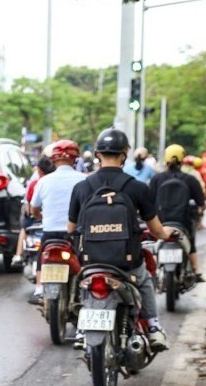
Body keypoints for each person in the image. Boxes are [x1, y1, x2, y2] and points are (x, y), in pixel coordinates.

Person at [67, 128, 173, 351]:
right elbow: (156, 230)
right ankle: (153, 327)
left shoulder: (81, 187)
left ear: (97, 153)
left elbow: (71, 228)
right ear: (124, 153)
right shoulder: (137, 188)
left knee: (83, 280)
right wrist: (166, 234)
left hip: (92, 260)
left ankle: (80, 328)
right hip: (127, 262)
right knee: (144, 279)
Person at [28, 140, 87, 304]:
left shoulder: (43, 181)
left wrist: (42, 217)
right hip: (75, 234)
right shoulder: (84, 180)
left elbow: (33, 209)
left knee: (43, 254)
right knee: (83, 259)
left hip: (50, 233)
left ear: (53, 160)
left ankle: (39, 289)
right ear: (75, 159)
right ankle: (83, 289)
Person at [148, 144, 206, 283]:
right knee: (191, 244)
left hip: (161, 222)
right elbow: (200, 201)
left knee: (155, 243)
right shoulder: (190, 179)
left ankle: (153, 271)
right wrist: (200, 208)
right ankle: (196, 270)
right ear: (182, 159)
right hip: (183, 221)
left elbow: (148, 201)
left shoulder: (157, 179)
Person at [12, 154, 55, 269]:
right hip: (53, 220)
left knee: (24, 229)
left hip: (37, 219)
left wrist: (37, 216)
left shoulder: (36, 183)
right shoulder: (56, 183)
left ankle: (18, 255)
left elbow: (29, 208)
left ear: (39, 170)